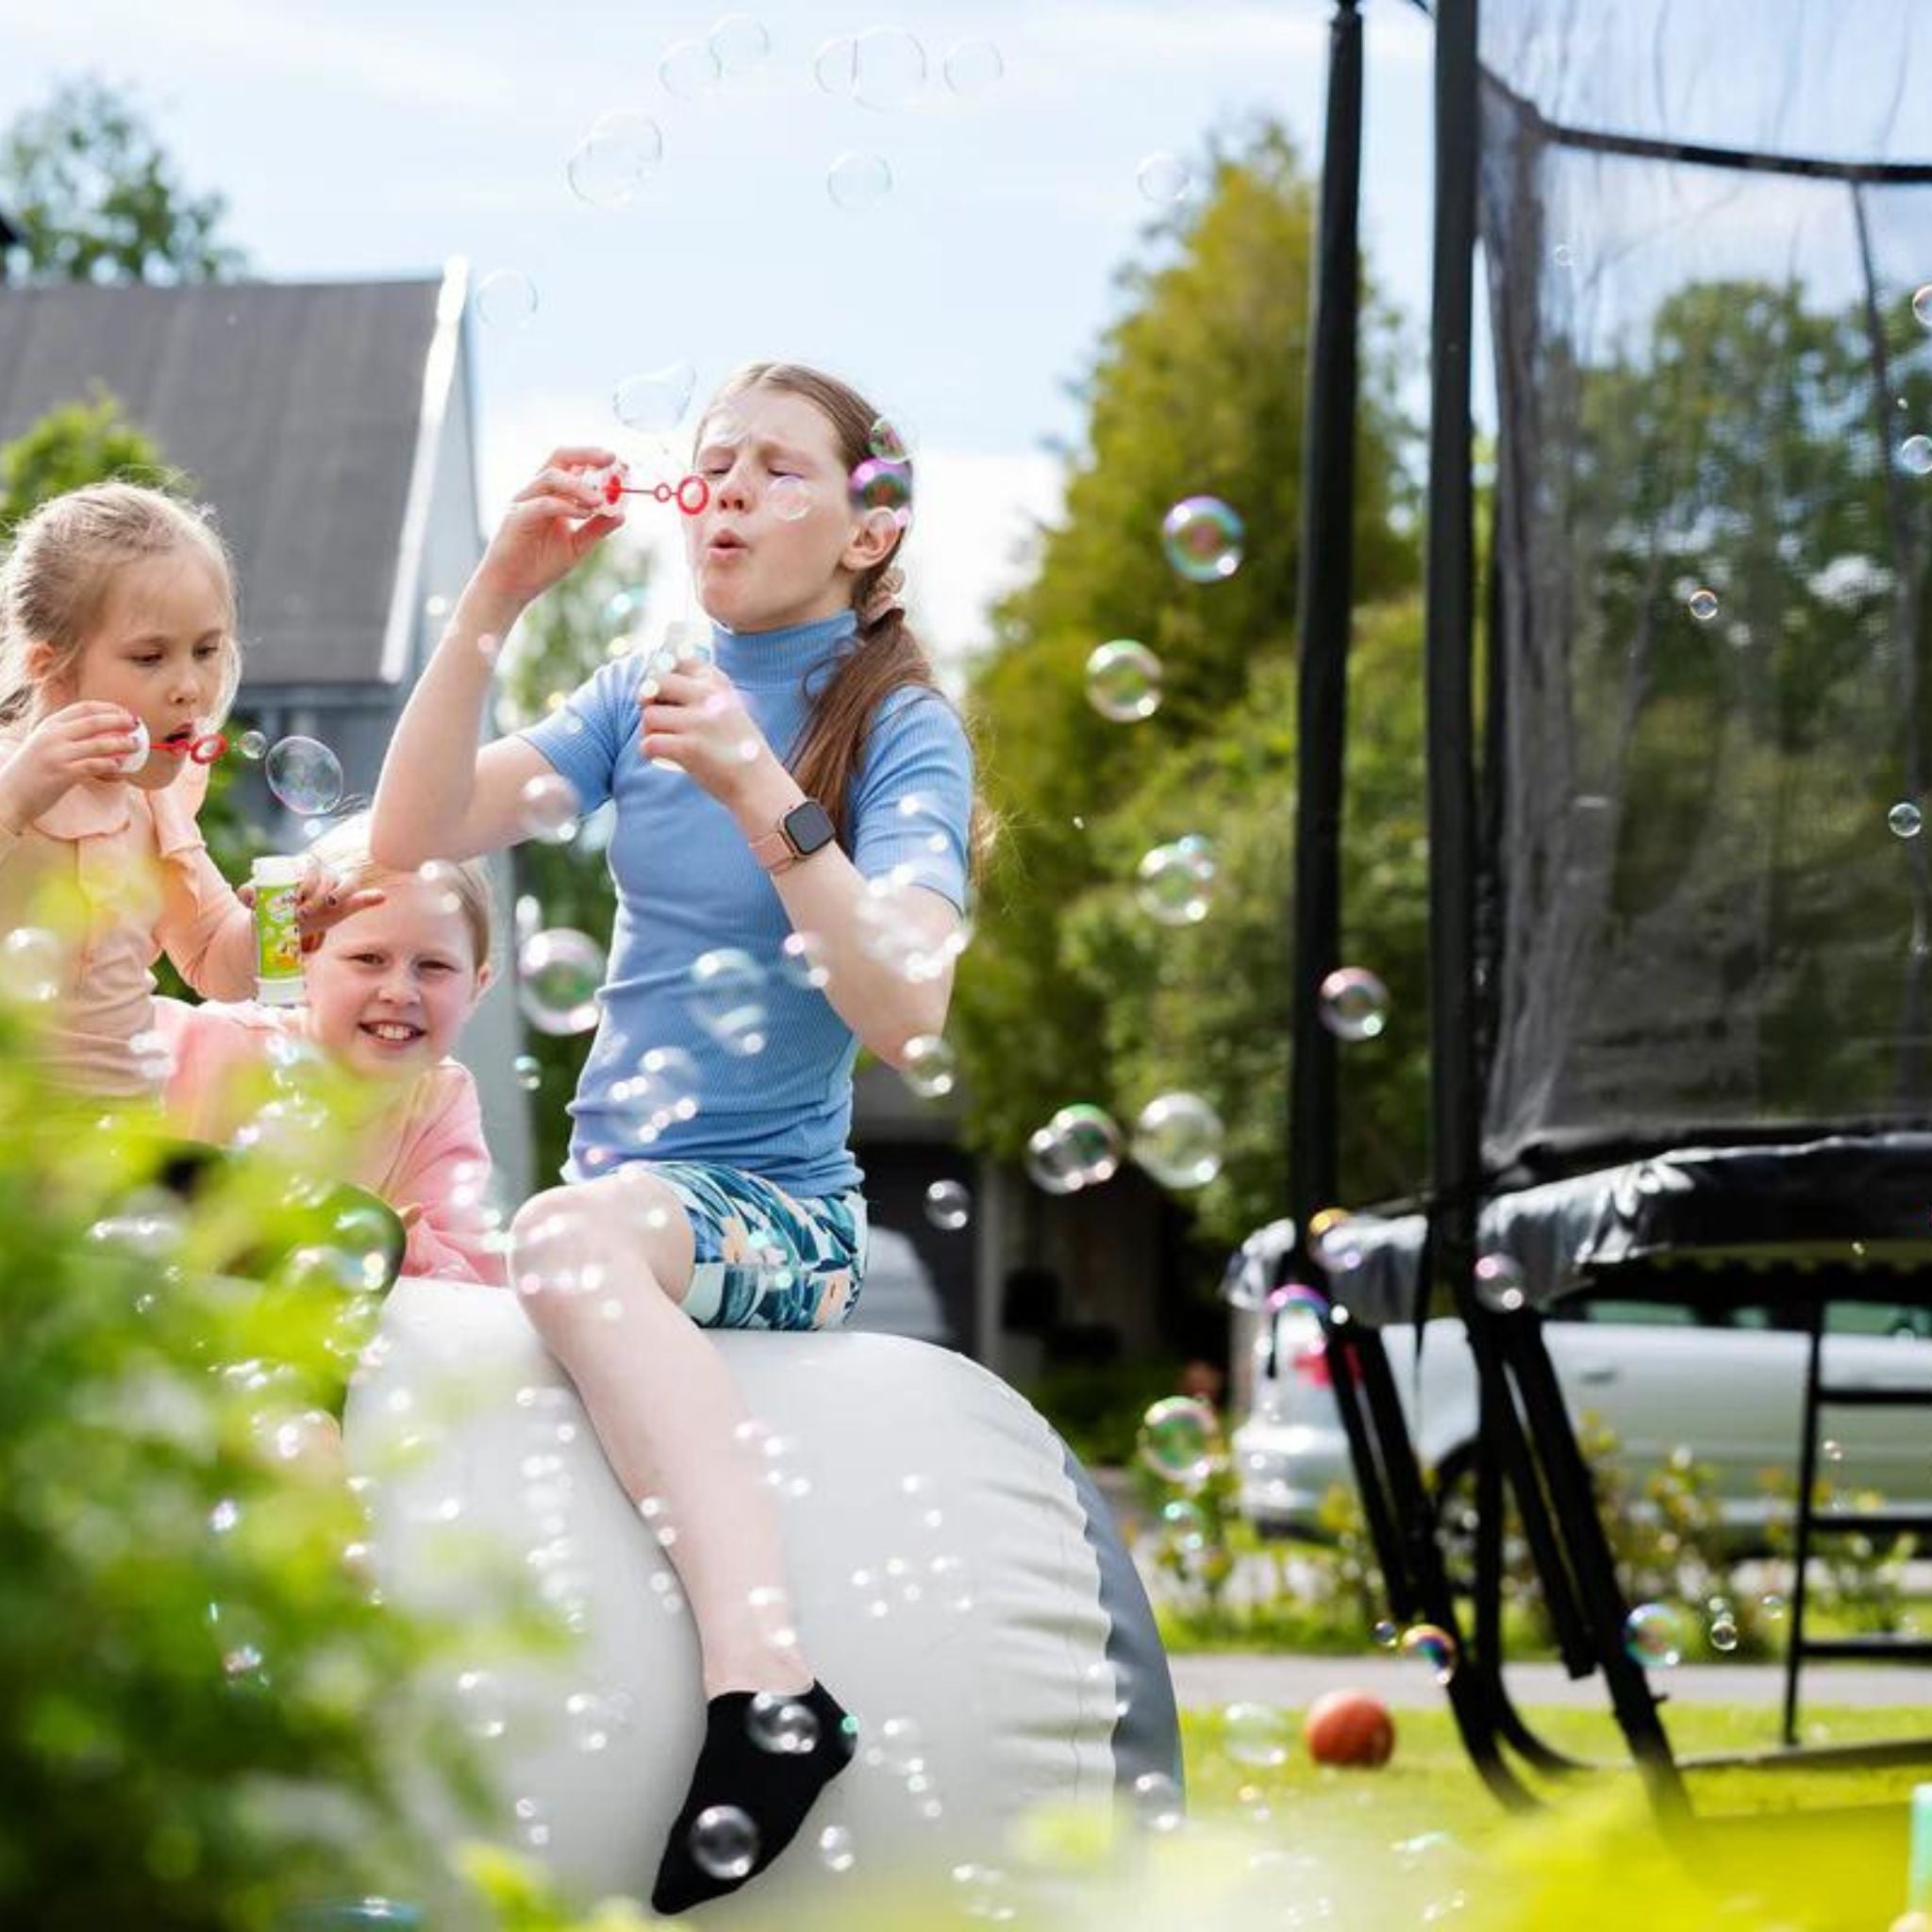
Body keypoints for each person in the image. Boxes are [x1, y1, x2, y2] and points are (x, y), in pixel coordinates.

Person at [371, 362, 976, 1915]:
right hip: (621, 1211)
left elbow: (906, 1006)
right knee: (515, 1247)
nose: (725, 490)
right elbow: (406, 839)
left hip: (783, 1221)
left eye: (777, 468)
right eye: (712, 464)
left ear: (865, 527)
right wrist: (490, 599)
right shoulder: (639, 688)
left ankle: (769, 1689)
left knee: (562, 1234)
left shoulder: (898, 728)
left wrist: (761, 787)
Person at [0, 481, 370, 1102]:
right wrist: (16, 798)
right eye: (150, 657)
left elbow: (212, 962)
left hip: (118, 1136)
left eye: (205, 651)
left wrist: (277, 926)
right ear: (49, 666)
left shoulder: (154, 805)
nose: (190, 687)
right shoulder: (13, 775)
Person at [156, 813, 506, 1286]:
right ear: (299, 959)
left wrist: (380, 1236)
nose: (401, 992)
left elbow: (470, 1280)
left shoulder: (439, 1098)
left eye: (435, 966)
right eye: (368, 959)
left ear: (477, 987)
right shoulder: (213, 1042)